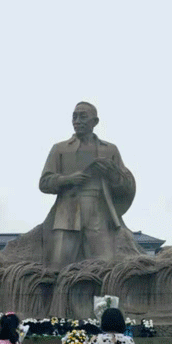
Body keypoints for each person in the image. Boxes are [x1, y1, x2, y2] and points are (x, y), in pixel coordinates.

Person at [39, 102, 140, 270]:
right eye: (74, 116)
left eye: (83, 117)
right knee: (57, 268)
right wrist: (68, 179)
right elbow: (44, 182)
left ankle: (106, 298)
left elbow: (126, 185)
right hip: (66, 215)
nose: (77, 121)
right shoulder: (60, 149)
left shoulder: (110, 150)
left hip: (99, 215)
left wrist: (113, 174)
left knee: (106, 267)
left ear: (95, 121)